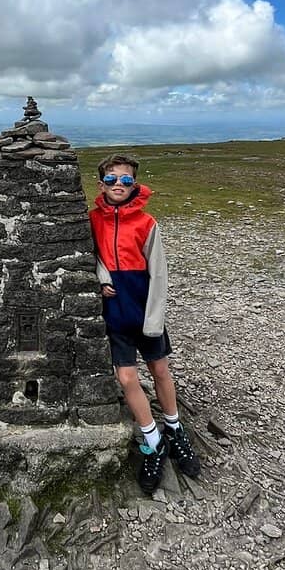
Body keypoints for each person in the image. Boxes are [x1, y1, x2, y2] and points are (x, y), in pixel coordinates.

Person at [89, 154, 202, 494]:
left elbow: (160, 273)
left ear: (134, 184)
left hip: (144, 309)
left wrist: (154, 319)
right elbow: (89, 254)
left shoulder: (147, 223)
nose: (118, 186)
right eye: (111, 180)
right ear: (101, 184)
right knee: (126, 377)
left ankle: (175, 429)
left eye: (125, 180)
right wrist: (100, 276)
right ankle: (153, 441)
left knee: (161, 371)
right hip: (115, 312)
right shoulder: (92, 219)